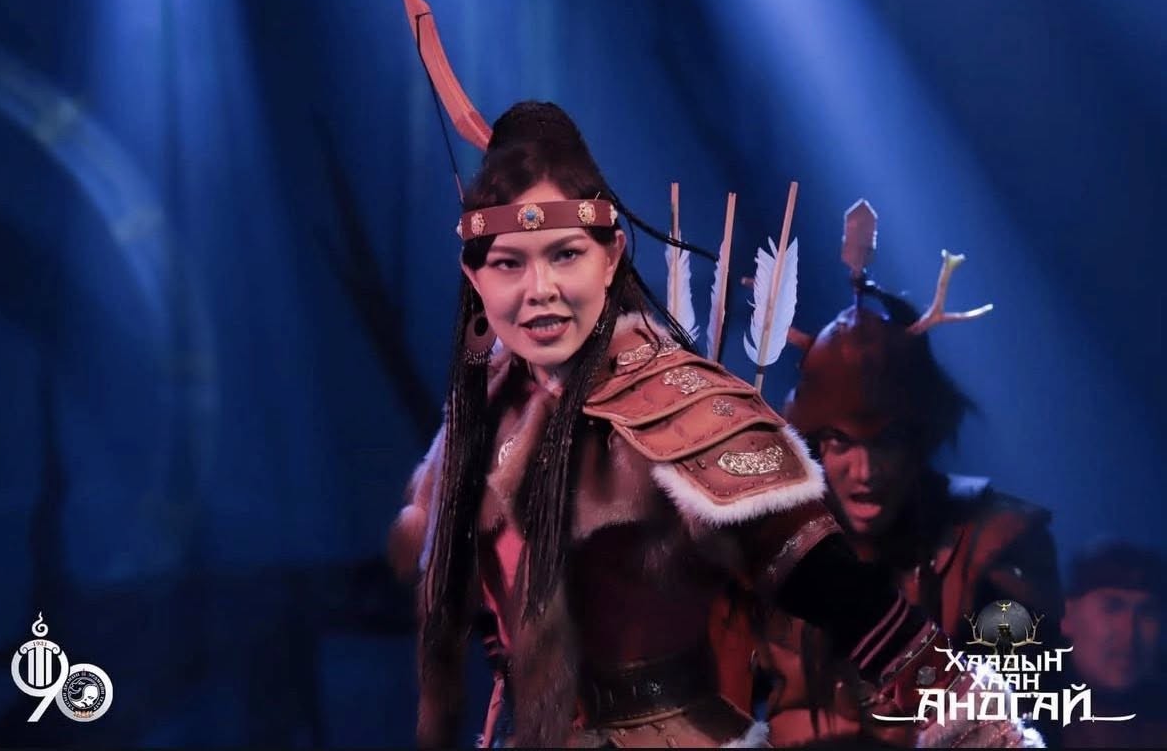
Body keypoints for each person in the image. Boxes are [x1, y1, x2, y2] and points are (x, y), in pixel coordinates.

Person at [387, 101, 1042, 748]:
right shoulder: (480, 424)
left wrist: (972, 723)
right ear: (474, 275)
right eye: (509, 263)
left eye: (565, 255)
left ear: (610, 259)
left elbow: (848, 597)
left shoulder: (689, 409)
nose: (540, 289)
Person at [754, 201, 1063, 746]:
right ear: (813, 443)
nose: (865, 471)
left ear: (918, 440)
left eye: (887, 442)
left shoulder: (995, 543)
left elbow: (1017, 716)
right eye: (841, 442)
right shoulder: (773, 542)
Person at [1060, 540, 1167, 748]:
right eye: (1112, 607)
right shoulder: (1017, 715)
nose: (1129, 632)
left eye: (1147, 612)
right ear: (1067, 616)